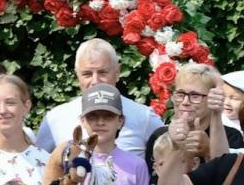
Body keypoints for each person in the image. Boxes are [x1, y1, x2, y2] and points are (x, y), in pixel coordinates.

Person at [41, 84, 147, 185]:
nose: (100, 122)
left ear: (120, 121)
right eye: (93, 116)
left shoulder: (136, 164)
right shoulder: (71, 160)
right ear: (82, 121)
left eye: (108, 116)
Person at [33, 39, 163, 159]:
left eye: (102, 72)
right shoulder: (55, 119)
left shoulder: (143, 116)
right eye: (87, 74)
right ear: (78, 76)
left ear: (117, 72)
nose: (95, 81)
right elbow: (38, 165)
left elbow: (168, 159)